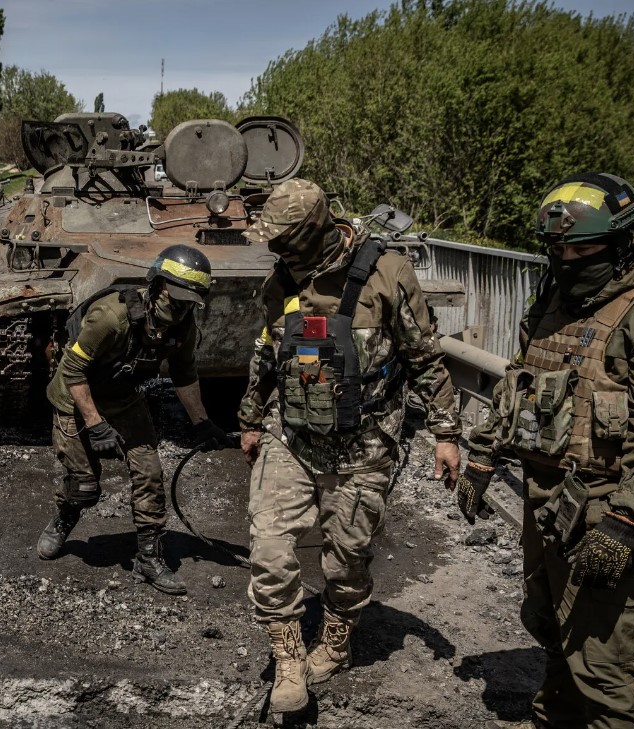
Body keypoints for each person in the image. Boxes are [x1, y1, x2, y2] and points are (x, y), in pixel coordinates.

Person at [237, 179, 462, 714]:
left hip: (364, 443)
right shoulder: (279, 281)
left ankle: (335, 641)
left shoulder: (386, 274)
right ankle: (288, 661)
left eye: (285, 241)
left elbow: (425, 356)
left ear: (314, 231)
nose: (276, 251)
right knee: (268, 550)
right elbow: (267, 354)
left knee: (346, 558)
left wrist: (446, 433)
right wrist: (249, 417)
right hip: (291, 436)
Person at [460, 172, 634, 729]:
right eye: (557, 248)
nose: (568, 258)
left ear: (624, 243)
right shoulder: (554, 295)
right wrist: (482, 453)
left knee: (604, 662)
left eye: (583, 247)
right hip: (543, 491)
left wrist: (627, 518)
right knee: (550, 625)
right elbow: (522, 381)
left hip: (602, 504)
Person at [35, 244, 232, 595]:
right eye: (178, 301)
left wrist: (202, 423)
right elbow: (73, 370)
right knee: (85, 486)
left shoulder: (183, 324)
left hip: (124, 399)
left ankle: (148, 556)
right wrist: (95, 424)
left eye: (191, 303)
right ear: (157, 287)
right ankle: (64, 517)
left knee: (150, 473)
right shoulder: (111, 317)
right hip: (75, 397)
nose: (183, 309)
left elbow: (184, 374)